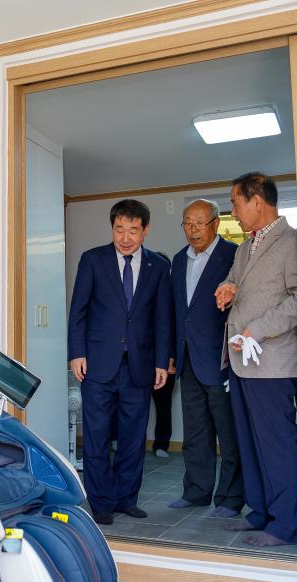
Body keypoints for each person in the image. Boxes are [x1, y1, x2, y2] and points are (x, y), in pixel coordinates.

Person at [68, 199, 172, 524]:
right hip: (97, 364)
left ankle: (127, 498)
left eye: (133, 230)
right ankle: (101, 501)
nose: (126, 238)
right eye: (119, 229)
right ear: (112, 228)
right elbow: (78, 311)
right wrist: (76, 353)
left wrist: (162, 361)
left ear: (145, 230)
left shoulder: (158, 266)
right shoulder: (92, 260)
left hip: (139, 366)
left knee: (133, 436)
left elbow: (162, 318)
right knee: (97, 435)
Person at [214, 172, 297, 547]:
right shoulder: (244, 247)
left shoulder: (292, 242)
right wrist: (226, 288)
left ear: (256, 200)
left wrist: (257, 330)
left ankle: (285, 526)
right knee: (250, 443)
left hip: (274, 362)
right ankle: (261, 512)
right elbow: (234, 281)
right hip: (241, 362)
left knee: (277, 445)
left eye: (236, 204)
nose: (233, 212)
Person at [168, 199, 244, 517]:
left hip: (221, 359)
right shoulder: (178, 260)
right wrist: (171, 353)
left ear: (216, 223)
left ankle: (230, 498)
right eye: (188, 223)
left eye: (200, 222)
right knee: (195, 432)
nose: (193, 229)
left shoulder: (234, 255)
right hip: (188, 359)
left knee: (229, 433)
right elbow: (176, 312)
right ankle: (196, 492)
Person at [151, 252, 176, 459]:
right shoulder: (141, 290)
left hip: (166, 359)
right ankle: (117, 440)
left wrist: (172, 357)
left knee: (163, 404)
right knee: (131, 403)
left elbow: (176, 330)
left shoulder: (174, 295)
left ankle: (162, 444)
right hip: (141, 358)